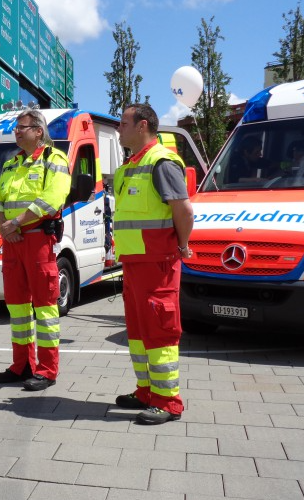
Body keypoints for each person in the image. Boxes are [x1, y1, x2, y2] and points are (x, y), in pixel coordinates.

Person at [113, 103, 194, 425]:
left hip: (157, 262)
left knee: (160, 330)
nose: (119, 129)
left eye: (123, 123)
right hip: (135, 262)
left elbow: (184, 210)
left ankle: (168, 402)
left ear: (142, 125)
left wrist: (183, 246)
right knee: (139, 331)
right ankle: (146, 391)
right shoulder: (133, 164)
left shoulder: (160, 162)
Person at [0, 110, 71, 391]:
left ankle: (47, 370)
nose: (17, 132)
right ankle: (22, 365)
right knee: (17, 306)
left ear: (38, 131)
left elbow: (52, 199)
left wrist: (16, 223)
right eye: (16, 128)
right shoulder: (11, 164)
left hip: (37, 241)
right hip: (13, 242)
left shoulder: (54, 159)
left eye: (22, 127)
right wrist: (4, 226)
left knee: (46, 307)